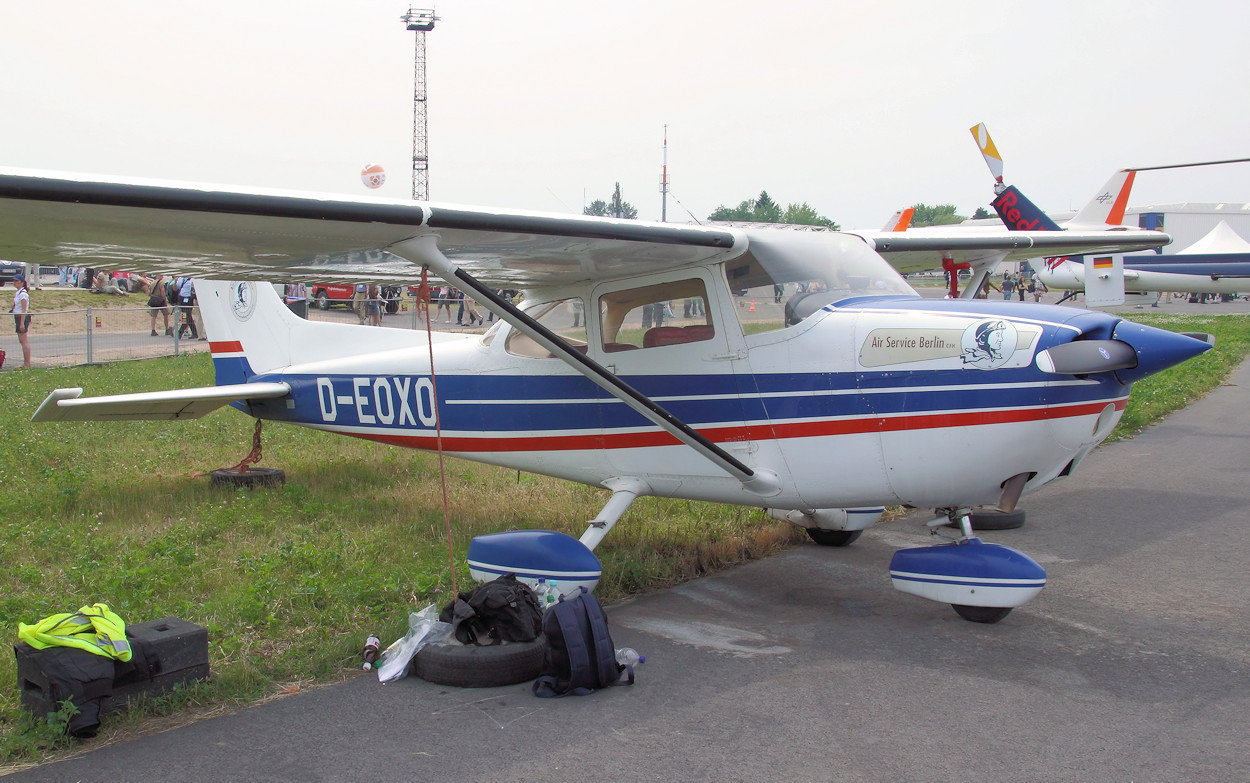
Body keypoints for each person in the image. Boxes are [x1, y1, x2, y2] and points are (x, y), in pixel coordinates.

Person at [9, 270, 31, 367]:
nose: (14, 283)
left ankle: (27, 363)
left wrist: (22, 323)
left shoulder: (23, 294)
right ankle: (26, 362)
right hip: (17, 317)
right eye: (14, 281)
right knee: (21, 340)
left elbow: (23, 310)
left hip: (22, 318)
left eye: (16, 281)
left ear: (21, 282)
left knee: (24, 340)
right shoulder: (18, 293)